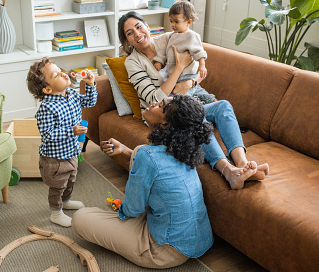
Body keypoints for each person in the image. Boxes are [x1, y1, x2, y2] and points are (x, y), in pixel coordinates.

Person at [118, 11, 269, 187]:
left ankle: (242, 164)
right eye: (129, 33)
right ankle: (228, 171)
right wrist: (179, 67)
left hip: (190, 99)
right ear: (127, 41)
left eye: (138, 26)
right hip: (162, 112)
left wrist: (189, 83)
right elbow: (153, 97)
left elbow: (198, 69)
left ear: (147, 26)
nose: (137, 34)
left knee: (223, 106)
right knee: (192, 119)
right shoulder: (132, 62)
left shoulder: (171, 38)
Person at [72, 95, 216, 269]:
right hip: (199, 241)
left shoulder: (147, 156)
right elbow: (158, 168)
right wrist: (126, 151)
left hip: (163, 251)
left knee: (80, 218)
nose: (154, 103)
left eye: (160, 106)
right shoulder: (184, 148)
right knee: (139, 154)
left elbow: (133, 209)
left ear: (165, 124)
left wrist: (123, 210)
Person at [26, 57, 97, 227]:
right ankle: (56, 213)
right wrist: (71, 131)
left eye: (60, 70)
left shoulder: (71, 94)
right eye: (56, 74)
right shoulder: (46, 108)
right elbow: (47, 134)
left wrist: (90, 84)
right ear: (48, 89)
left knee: (71, 180)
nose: (64, 74)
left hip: (71, 151)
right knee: (57, 186)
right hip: (54, 159)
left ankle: (66, 201)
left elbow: (89, 101)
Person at [152, 1, 215, 104]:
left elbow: (199, 52)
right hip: (174, 77)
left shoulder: (192, 36)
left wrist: (202, 65)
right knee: (195, 92)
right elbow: (164, 52)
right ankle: (208, 101)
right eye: (171, 21)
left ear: (189, 22)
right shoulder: (172, 36)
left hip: (187, 75)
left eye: (176, 21)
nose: (172, 24)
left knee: (186, 100)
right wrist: (159, 61)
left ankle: (210, 101)